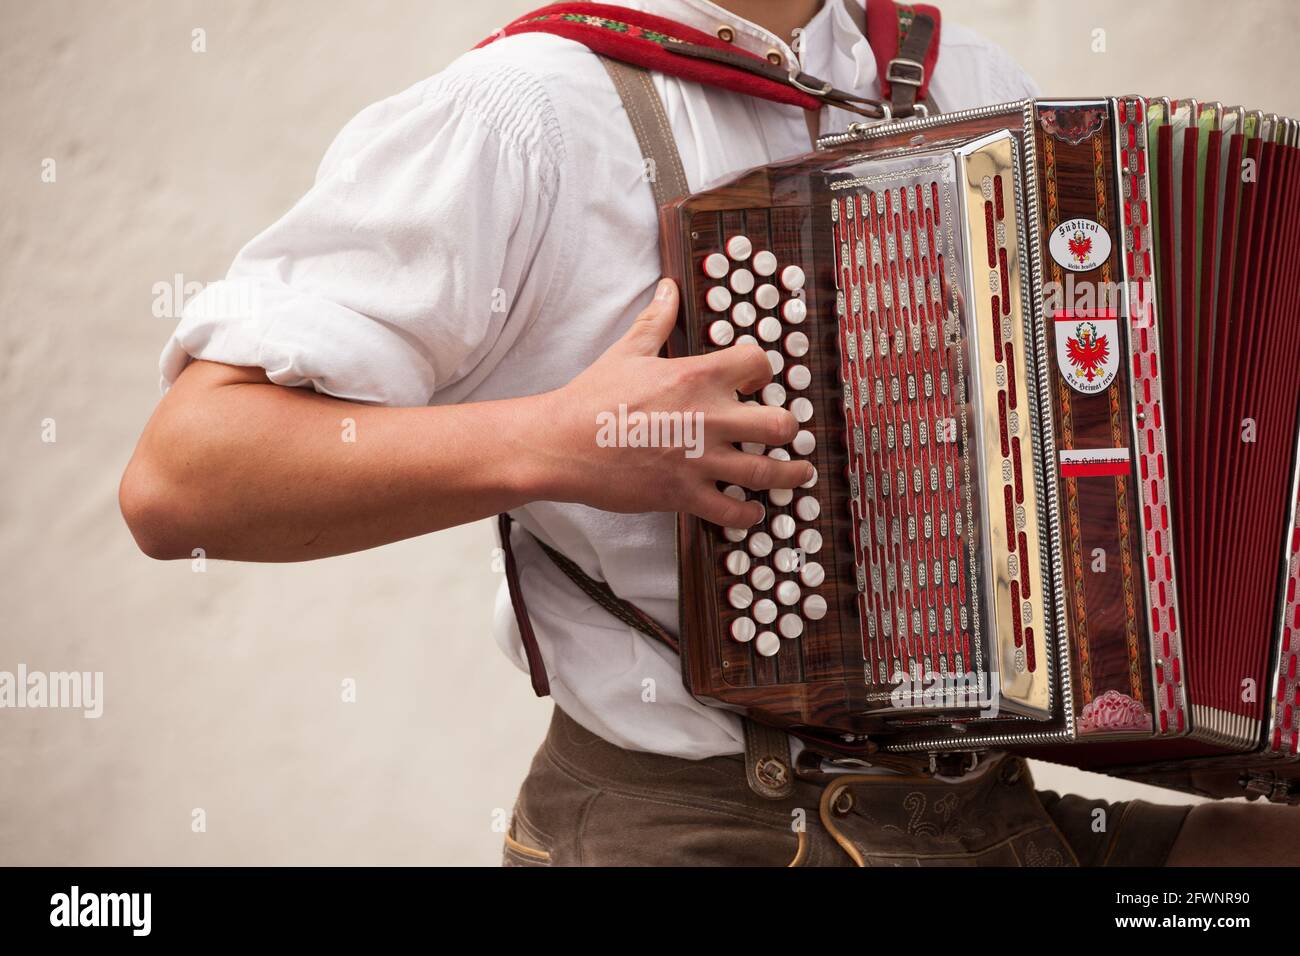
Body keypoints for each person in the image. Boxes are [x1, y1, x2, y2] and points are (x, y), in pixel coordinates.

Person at [119, 0, 1298, 865]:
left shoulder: (971, 80)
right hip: (691, 827)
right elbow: (182, 478)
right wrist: (556, 442)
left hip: (986, 812)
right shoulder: (523, 113)